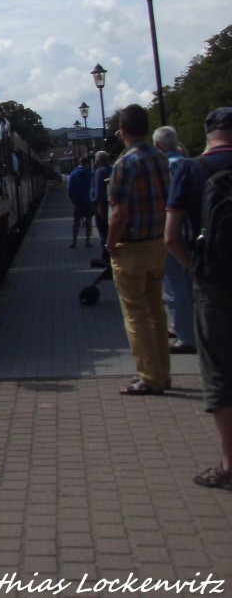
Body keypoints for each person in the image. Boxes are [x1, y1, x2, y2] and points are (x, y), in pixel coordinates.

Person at [164, 107, 232, 489]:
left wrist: (194, 268)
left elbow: (171, 236)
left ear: (209, 133)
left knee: (220, 371)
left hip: (213, 282)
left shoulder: (190, 170)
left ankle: (229, 465)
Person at [105, 104, 171, 396]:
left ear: (124, 130)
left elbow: (119, 213)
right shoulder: (161, 158)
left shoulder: (123, 164)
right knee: (157, 311)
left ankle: (149, 376)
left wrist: (109, 243)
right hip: (158, 242)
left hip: (131, 247)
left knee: (136, 314)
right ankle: (162, 373)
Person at [154, 125, 196, 353]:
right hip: (193, 232)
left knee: (174, 286)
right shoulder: (190, 164)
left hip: (173, 233)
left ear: (158, 146)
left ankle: (185, 337)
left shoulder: (166, 167)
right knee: (189, 284)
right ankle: (187, 326)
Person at [91, 150, 113, 268]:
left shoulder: (99, 171)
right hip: (110, 205)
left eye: (95, 159)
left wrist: (99, 207)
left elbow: (99, 190)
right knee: (109, 230)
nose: (94, 161)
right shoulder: (112, 169)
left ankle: (105, 257)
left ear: (98, 160)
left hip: (102, 205)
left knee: (103, 232)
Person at [66, 156, 95, 248]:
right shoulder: (90, 174)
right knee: (88, 221)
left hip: (78, 202)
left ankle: (74, 242)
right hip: (88, 201)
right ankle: (87, 241)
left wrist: (74, 202)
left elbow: (70, 191)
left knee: (76, 223)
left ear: (79, 162)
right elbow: (93, 188)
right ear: (87, 163)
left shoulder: (73, 174)